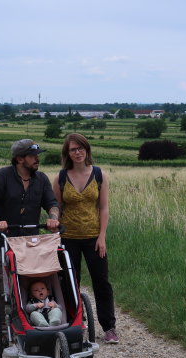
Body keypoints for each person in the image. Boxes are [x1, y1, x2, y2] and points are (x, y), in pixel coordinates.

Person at [52, 133, 119, 344]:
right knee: (70, 283)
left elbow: (104, 208)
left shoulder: (99, 175)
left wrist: (102, 237)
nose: (78, 152)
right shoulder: (61, 178)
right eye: (73, 149)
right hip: (68, 238)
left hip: (93, 238)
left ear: (87, 150)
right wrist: (55, 234)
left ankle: (109, 327)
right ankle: (75, 325)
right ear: (67, 153)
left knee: (102, 283)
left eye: (81, 148)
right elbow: (56, 209)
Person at [0, 139, 60, 304]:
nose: (37, 159)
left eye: (37, 155)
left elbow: (52, 204)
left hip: (30, 242)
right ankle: (4, 324)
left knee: (32, 282)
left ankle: (33, 320)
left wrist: (53, 219)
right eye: (32, 156)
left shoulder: (42, 179)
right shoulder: (1, 176)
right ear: (19, 159)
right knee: (4, 287)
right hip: (4, 240)